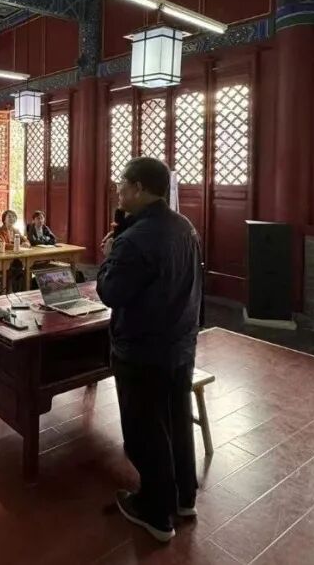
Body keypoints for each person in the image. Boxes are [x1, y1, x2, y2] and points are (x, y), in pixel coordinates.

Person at [96, 157, 203, 543]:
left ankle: (156, 512)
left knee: (145, 429)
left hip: (143, 350)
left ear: (139, 188)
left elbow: (111, 292)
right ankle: (184, 497)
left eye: (122, 185)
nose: (118, 191)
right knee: (176, 420)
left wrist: (110, 257)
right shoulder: (184, 226)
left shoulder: (135, 239)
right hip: (181, 343)